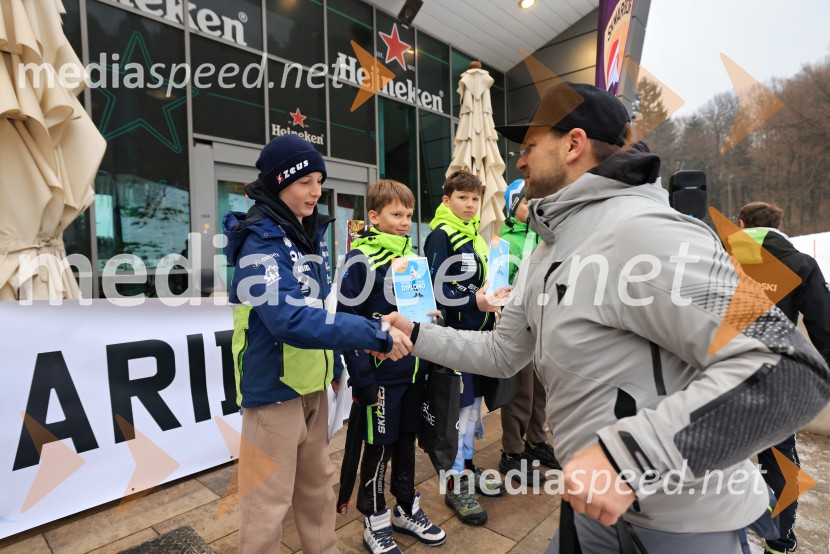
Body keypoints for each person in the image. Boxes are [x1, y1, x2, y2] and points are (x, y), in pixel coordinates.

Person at [382, 82, 830, 552]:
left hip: (680, 528)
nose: (519, 161)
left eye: (531, 147)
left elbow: (788, 370)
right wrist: (419, 333)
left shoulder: (648, 232)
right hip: (591, 510)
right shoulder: (545, 250)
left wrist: (627, 459)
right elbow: (502, 351)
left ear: (573, 145)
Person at [222, 135, 410, 554]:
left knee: (318, 492)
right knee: (266, 506)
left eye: (319, 180)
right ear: (279, 181)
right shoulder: (259, 241)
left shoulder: (307, 233)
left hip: (314, 385)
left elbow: (322, 307)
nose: (316, 190)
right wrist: (372, 336)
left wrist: (339, 368)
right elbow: (289, 320)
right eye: (306, 180)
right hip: (273, 393)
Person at [337, 180, 446, 553]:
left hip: (414, 373)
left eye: (409, 216)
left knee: (405, 445)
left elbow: (420, 317)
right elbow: (345, 322)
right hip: (381, 378)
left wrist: (434, 320)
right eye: (396, 215)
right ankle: (374, 518)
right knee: (378, 449)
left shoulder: (413, 260)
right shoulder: (360, 259)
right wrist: (362, 378)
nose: (404, 222)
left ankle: (404, 507)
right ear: (374, 216)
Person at [729, 201, 830, 554]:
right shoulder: (801, 263)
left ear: (740, 224)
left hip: (720, 377)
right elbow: (825, 329)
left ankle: (725, 537)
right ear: (778, 226)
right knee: (781, 462)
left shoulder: (717, 258)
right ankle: (778, 541)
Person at [423, 169, 507, 525]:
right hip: (455, 341)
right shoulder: (441, 236)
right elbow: (439, 290)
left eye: (475, 199)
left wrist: (494, 293)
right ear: (447, 200)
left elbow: (476, 284)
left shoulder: (474, 235)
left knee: (471, 409)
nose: (470, 205)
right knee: (457, 414)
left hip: (478, 338)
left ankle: (467, 467)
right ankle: (455, 483)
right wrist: (477, 301)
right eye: (463, 198)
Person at [498, 179, 559, 484]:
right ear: (512, 206)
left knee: (540, 390)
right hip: (518, 322)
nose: (533, 207)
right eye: (525, 202)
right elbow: (498, 285)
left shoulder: (547, 236)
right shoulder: (504, 241)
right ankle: (512, 452)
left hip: (544, 323)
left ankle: (536, 441)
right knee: (519, 392)